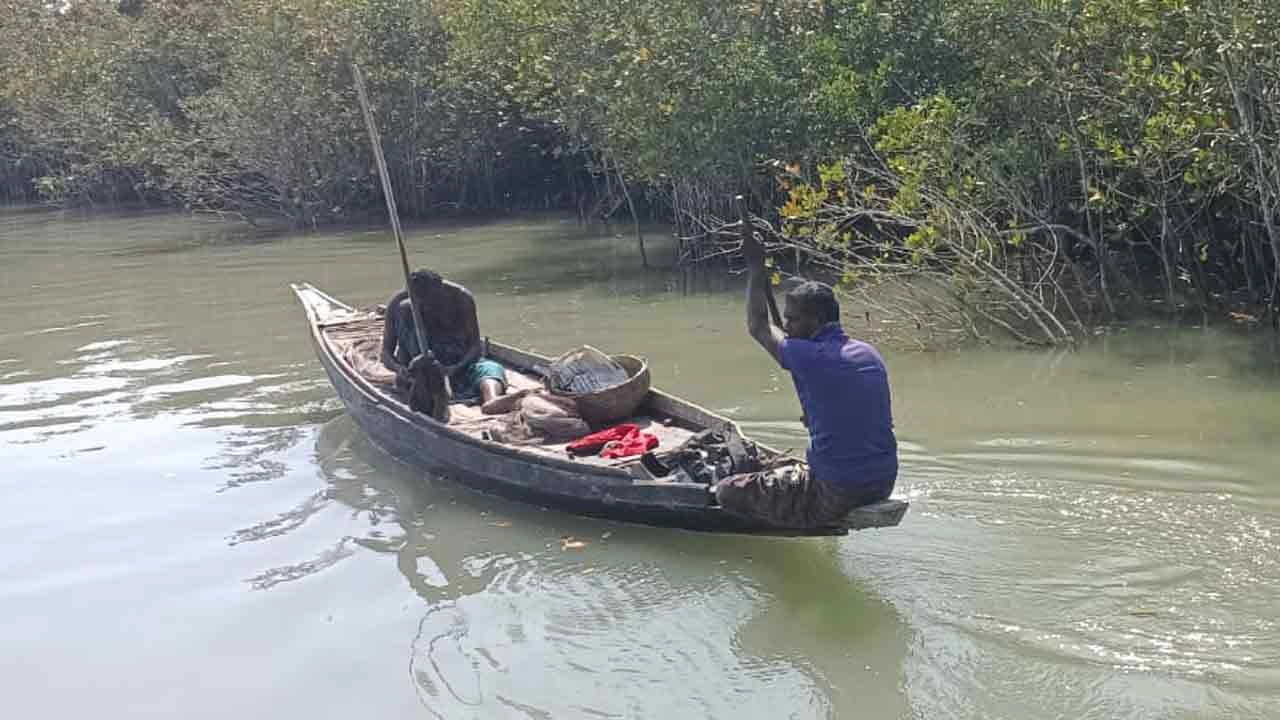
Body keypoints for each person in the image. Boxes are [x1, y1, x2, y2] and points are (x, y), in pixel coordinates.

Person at [712, 229, 898, 528]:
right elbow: (851, 406)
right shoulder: (868, 353)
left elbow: (758, 325)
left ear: (817, 321)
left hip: (838, 491)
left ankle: (792, 512)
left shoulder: (809, 355)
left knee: (726, 491)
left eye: (793, 319)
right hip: (884, 480)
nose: (786, 326)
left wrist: (756, 268)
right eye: (785, 318)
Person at [381, 269, 508, 407]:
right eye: (421, 303)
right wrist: (399, 369)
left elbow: (475, 347)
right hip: (423, 371)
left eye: (432, 300)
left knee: (491, 368)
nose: (428, 306)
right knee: (422, 382)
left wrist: (454, 368)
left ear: (440, 289)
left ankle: (492, 401)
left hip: (460, 366)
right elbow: (386, 353)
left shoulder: (461, 298)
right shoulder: (398, 305)